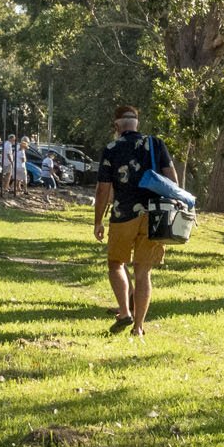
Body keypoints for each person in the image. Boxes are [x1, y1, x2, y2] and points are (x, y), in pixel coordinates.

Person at [94, 105, 175, 336]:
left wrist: (97, 221)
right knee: (143, 272)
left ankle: (124, 312)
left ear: (117, 125)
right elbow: (172, 179)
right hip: (154, 216)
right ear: (136, 123)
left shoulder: (112, 148)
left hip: (123, 215)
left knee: (116, 263)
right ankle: (138, 327)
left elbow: (103, 190)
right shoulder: (155, 144)